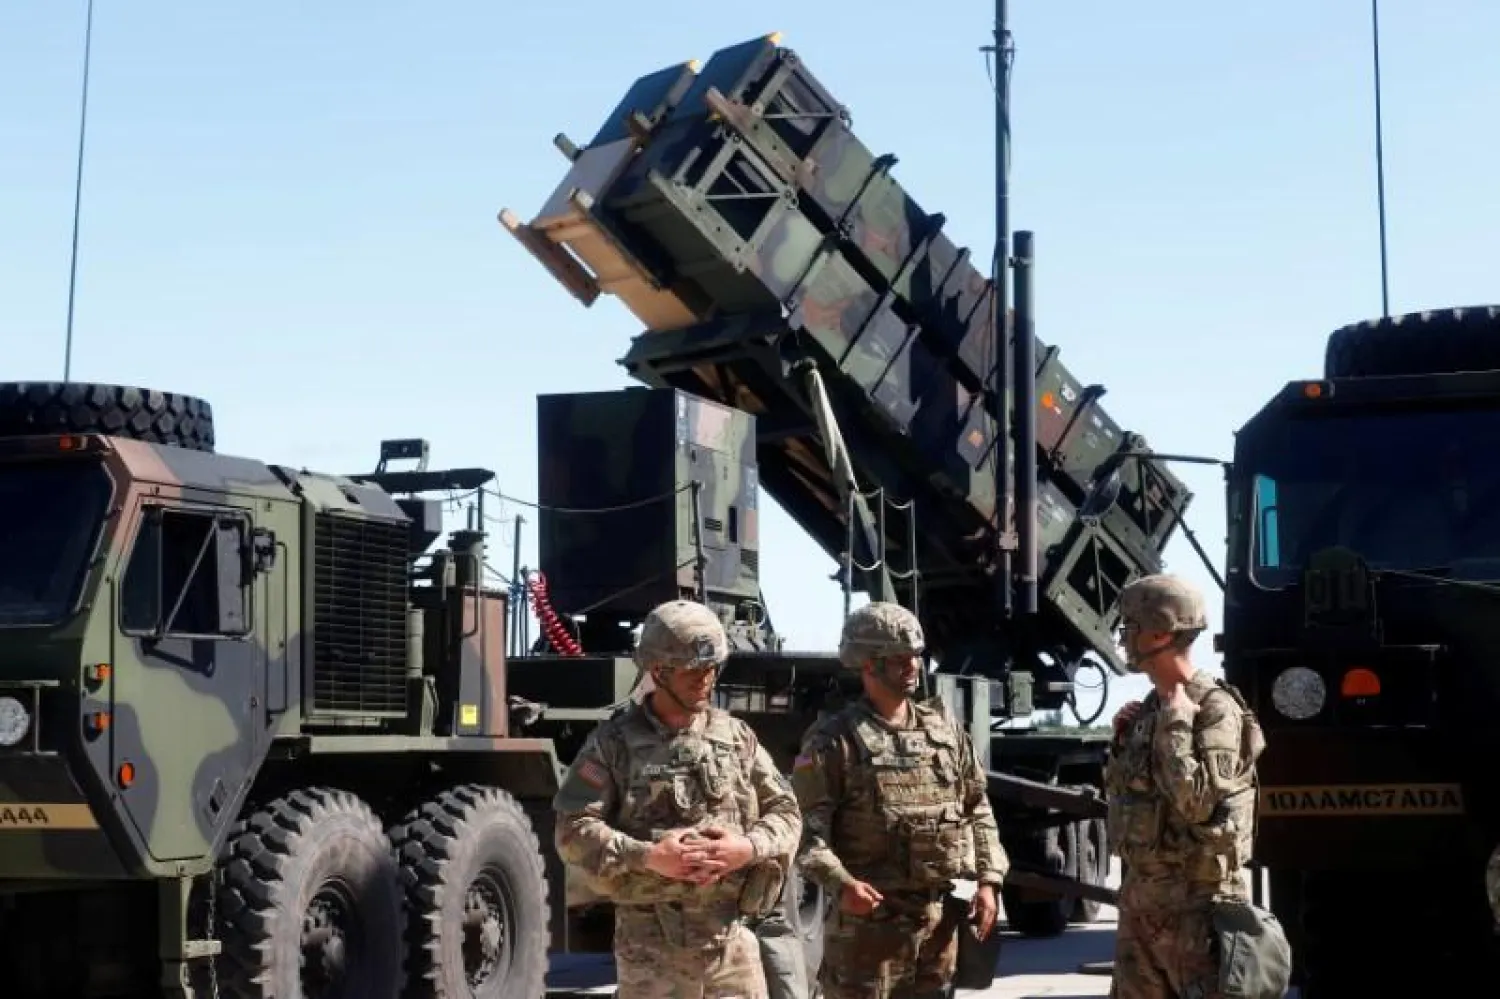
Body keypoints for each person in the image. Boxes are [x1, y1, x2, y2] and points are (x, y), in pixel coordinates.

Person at [553, 599, 804, 999]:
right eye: (693, 670)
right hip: (650, 957)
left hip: (731, 948)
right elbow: (571, 829)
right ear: (659, 670)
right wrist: (648, 856)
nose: (706, 679)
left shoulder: (738, 738)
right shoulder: (609, 746)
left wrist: (747, 847)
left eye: (712, 669)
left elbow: (786, 812)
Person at [791, 601, 1008, 999]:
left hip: (937, 925)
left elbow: (977, 807)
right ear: (868, 665)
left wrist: (988, 881)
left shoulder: (944, 732)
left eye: (915, 657)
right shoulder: (833, 741)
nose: (912, 667)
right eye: (899, 659)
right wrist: (842, 886)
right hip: (866, 934)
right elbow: (806, 834)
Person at [1105, 573, 1267, 999]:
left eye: (1131, 626)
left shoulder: (1214, 710)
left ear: (1161, 632)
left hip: (1197, 915)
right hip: (1142, 911)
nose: (1124, 638)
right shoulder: (1147, 710)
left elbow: (1196, 803)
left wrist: (1176, 725)